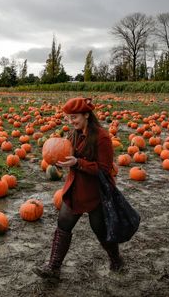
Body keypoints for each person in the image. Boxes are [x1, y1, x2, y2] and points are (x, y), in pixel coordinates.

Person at [34, 97, 123, 279]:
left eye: (74, 117)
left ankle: (116, 259)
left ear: (87, 115)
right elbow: (66, 153)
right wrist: (57, 162)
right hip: (75, 188)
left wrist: (78, 163)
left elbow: (105, 170)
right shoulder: (73, 134)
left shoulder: (102, 137)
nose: (71, 121)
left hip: (95, 193)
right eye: (69, 117)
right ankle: (53, 267)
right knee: (63, 224)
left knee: (100, 230)